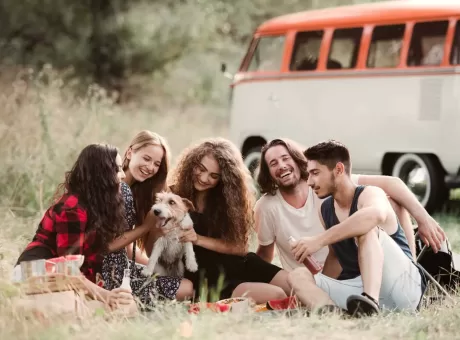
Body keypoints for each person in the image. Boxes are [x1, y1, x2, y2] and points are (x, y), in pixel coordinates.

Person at [254, 138, 446, 273]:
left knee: (392, 201)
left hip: (349, 267)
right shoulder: (266, 207)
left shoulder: (323, 183)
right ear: (268, 173)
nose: (281, 165)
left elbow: (393, 183)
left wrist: (424, 219)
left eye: (285, 158)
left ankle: (411, 267)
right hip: (310, 278)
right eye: (273, 163)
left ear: (297, 160)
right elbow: (264, 255)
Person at [288, 140, 435, 315]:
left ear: (339, 170)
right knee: (297, 276)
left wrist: (318, 241)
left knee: (366, 229)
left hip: (403, 286)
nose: (310, 182)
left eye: (315, 173)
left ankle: (370, 302)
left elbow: (374, 215)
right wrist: (317, 289)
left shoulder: (371, 194)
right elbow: (335, 258)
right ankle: (332, 315)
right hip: (357, 291)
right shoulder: (325, 209)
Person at [165, 137, 291, 303]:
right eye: (200, 169)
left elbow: (240, 247)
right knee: (278, 296)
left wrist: (198, 239)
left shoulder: (227, 200)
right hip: (211, 277)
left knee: (297, 287)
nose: (204, 178)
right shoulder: (173, 196)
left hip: (241, 264)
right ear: (191, 164)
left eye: (213, 175)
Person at [15, 144, 136, 311]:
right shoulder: (72, 208)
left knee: (127, 307)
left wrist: (107, 294)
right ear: (102, 174)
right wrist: (106, 295)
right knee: (88, 309)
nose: (122, 175)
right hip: (37, 272)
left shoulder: (97, 205)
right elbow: (68, 268)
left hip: (65, 279)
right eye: (117, 169)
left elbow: (86, 266)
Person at [101, 130, 194, 306]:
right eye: (146, 158)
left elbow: (126, 246)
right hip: (107, 273)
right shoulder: (115, 189)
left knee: (186, 285)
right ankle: (125, 300)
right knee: (186, 288)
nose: (150, 167)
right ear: (130, 152)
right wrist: (144, 227)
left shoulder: (135, 191)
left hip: (123, 267)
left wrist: (153, 268)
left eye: (157, 164)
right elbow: (106, 246)